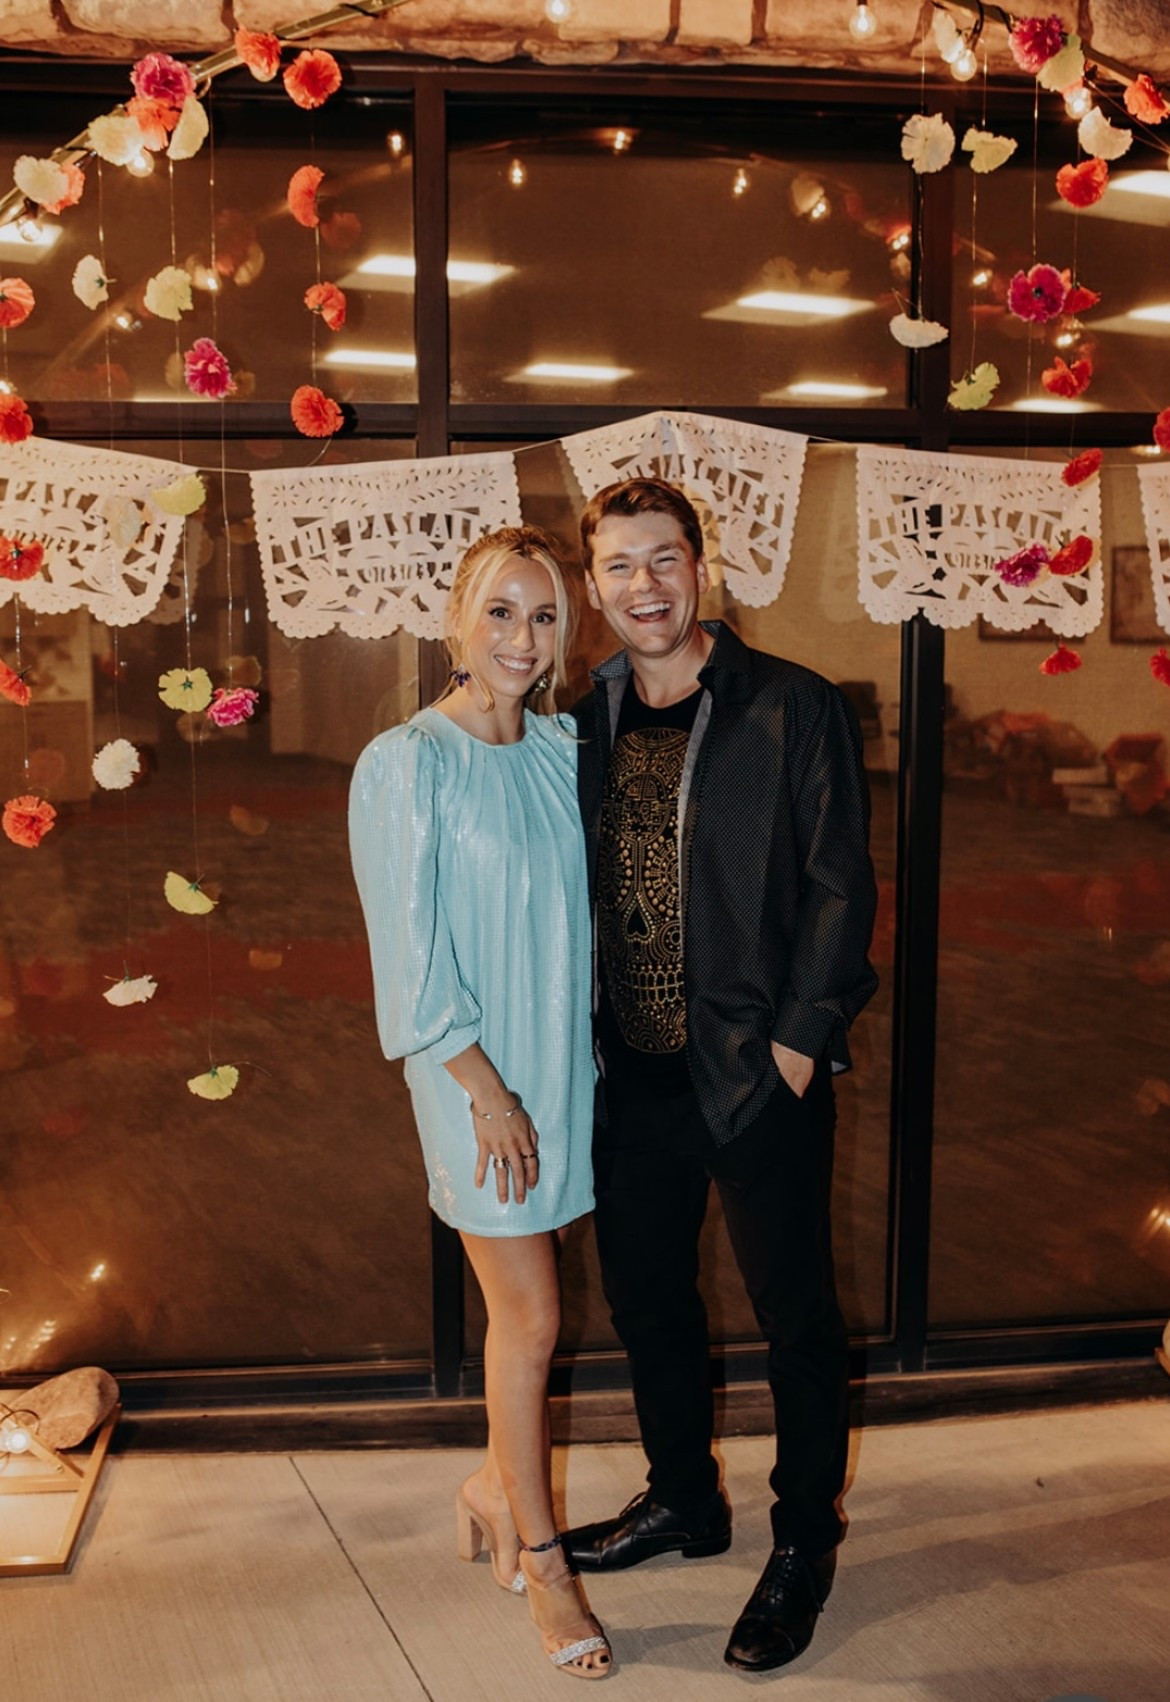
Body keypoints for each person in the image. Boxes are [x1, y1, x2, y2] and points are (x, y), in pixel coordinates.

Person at [561, 477, 878, 1674]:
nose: (644, 585)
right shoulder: (583, 717)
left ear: (703, 566)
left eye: (664, 559)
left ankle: (803, 1541)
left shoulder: (791, 706)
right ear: (593, 587)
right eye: (620, 567)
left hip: (756, 1074)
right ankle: (685, 1500)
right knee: (650, 1306)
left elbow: (841, 883)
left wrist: (799, 1042)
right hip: (628, 1077)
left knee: (793, 1318)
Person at [348, 525, 611, 1680]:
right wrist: (488, 1093)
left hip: (563, 1070)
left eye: (544, 614)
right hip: (476, 1082)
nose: (521, 636)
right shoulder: (407, 761)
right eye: (501, 611)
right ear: (459, 619)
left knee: (533, 1313)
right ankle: (544, 1558)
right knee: (536, 1317)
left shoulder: (560, 748)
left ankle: (487, 1481)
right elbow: (408, 959)